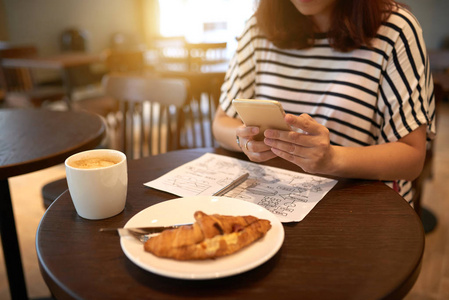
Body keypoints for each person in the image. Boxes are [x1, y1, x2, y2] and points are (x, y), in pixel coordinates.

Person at [212, 0, 436, 204]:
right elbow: (221, 122)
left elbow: (412, 157)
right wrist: (245, 142)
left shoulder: (395, 29)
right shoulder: (258, 28)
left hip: (362, 206)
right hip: (271, 199)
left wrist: (332, 159)